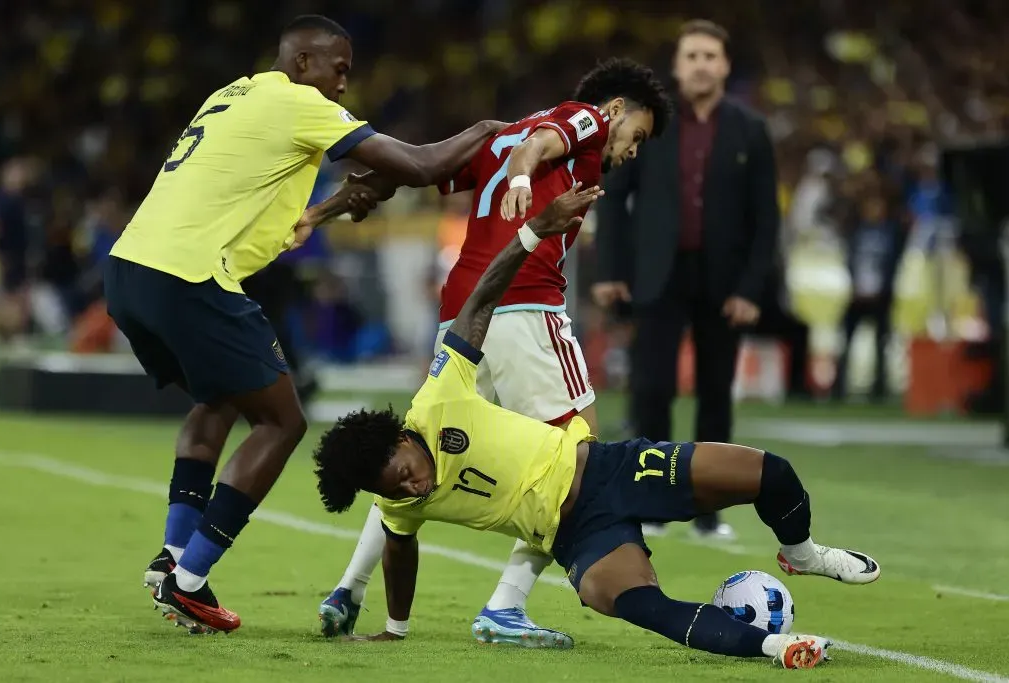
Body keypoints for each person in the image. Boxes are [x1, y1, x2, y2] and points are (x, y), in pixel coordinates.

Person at [312, 184, 879, 669]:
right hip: (576, 537)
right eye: (394, 490)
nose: (410, 488)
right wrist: (395, 628)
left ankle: (801, 555)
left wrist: (533, 232)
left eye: (404, 473)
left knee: (767, 472)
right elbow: (398, 552)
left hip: (612, 470)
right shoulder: (400, 504)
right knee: (638, 604)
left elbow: (481, 299)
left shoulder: (438, 400)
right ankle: (778, 646)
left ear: (402, 439)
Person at [105, 14, 503, 635]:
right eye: (338, 69)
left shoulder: (233, 95)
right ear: (302, 64)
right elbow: (421, 165)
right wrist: (490, 129)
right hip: (188, 276)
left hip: (131, 270)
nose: (344, 85)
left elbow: (260, 218)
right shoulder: (299, 103)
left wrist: (331, 207)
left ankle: (173, 557)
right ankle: (190, 581)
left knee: (217, 401)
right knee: (282, 419)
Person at [318, 58, 671, 649]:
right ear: (614, 111)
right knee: (578, 463)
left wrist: (327, 209)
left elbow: (419, 173)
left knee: (413, 452)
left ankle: (348, 589)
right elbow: (542, 143)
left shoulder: (499, 134)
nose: (634, 150)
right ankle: (506, 606)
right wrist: (523, 179)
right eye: (637, 135)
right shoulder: (581, 120)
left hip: (462, 319)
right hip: (524, 308)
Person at [593, 20, 780, 541]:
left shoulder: (750, 129)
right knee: (651, 390)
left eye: (710, 56)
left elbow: (766, 219)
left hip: (724, 279)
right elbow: (614, 199)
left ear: (724, 65)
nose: (700, 64)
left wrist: (750, 289)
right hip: (657, 272)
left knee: (716, 395)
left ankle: (708, 512)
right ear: (677, 67)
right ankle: (649, 506)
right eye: (691, 56)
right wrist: (610, 270)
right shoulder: (650, 122)